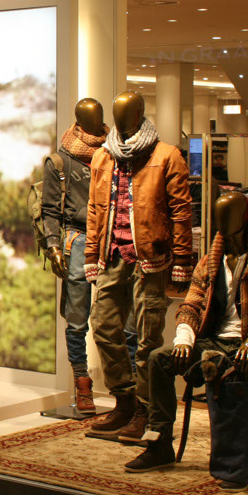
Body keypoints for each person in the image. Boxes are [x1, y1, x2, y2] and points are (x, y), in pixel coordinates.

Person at [124, 192, 248, 486]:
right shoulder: (209, 263)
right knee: (158, 359)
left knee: (235, 370)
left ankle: (238, 460)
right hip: (214, 341)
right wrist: (184, 339)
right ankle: (159, 443)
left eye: (229, 216)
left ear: (244, 217)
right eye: (219, 216)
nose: (223, 223)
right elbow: (191, 304)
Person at [84, 91, 192, 443]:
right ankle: (125, 400)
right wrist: (91, 254)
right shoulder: (103, 156)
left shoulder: (166, 156)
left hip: (150, 259)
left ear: (140, 114)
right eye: (117, 113)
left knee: (148, 339)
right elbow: (95, 211)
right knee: (103, 326)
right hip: (112, 255)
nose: (121, 119)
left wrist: (183, 259)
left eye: (127, 113)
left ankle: (146, 409)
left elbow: (181, 212)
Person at [42, 98, 137, 414]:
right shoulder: (60, 161)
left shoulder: (116, 153)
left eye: (100, 118)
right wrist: (53, 247)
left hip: (113, 237)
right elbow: (50, 210)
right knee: (77, 319)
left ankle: (130, 388)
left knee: (123, 319)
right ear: (79, 122)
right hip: (79, 240)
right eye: (90, 119)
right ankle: (82, 383)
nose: (97, 123)